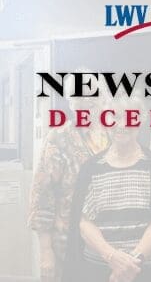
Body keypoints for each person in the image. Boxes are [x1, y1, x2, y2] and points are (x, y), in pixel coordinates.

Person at [63, 95, 151, 282]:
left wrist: (131, 263)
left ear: (140, 121)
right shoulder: (90, 167)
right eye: (114, 116)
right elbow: (83, 222)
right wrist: (112, 257)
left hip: (144, 271)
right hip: (98, 270)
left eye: (129, 116)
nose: (121, 124)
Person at [29, 92, 110, 281]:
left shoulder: (112, 135)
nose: (87, 104)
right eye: (80, 99)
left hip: (106, 246)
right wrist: (46, 252)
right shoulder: (59, 137)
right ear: (71, 103)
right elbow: (42, 196)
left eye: (93, 99)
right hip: (67, 245)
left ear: (104, 101)